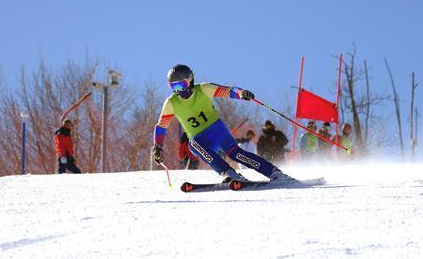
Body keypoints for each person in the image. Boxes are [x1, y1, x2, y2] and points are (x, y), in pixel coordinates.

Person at [152, 64, 295, 183]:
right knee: (193, 144)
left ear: (190, 81)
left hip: (217, 131)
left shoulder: (203, 89)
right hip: (198, 138)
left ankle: (273, 172)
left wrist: (241, 93)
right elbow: (161, 126)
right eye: (174, 87)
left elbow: (227, 91)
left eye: (182, 85)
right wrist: (157, 146)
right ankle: (228, 173)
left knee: (236, 154)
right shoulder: (171, 103)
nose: (180, 91)